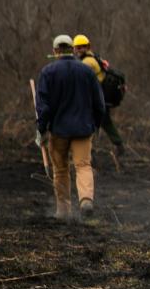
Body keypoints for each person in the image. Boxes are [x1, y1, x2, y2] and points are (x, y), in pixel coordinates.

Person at [34, 34, 107, 220]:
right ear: (72, 49)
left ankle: (63, 211)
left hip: (59, 131)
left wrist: (41, 130)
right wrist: (96, 125)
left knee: (60, 170)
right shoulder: (86, 71)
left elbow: (44, 107)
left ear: (55, 51)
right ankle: (85, 200)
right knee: (83, 165)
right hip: (83, 129)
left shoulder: (47, 72)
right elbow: (99, 103)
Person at [74, 34, 126, 155]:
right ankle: (118, 145)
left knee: (91, 123)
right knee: (105, 121)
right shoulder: (93, 56)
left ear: (87, 47)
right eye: (77, 47)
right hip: (101, 97)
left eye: (81, 47)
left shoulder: (87, 62)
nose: (78, 50)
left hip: (97, 97)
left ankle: (88, 150)